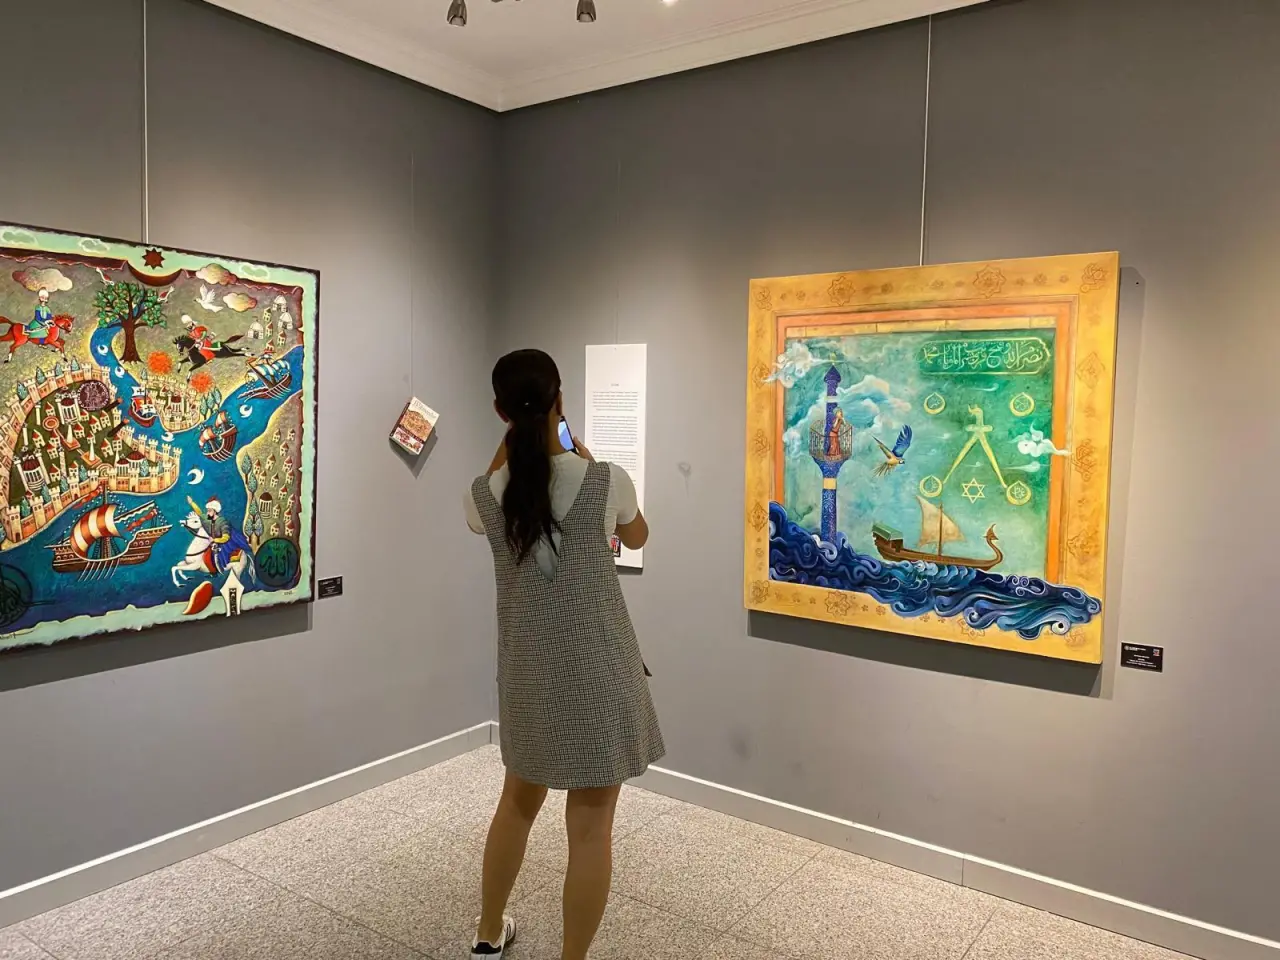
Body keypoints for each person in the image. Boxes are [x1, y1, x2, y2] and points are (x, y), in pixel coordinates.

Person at [464, 349, 663, 960]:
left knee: (516, 805)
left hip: (529, 677)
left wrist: (511, 442)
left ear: (499, 411)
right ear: (560, 402)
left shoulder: (484, 495)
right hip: (600, 674)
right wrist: (587, 458)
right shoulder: (605, 480)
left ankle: (487, 932)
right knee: (592, 830)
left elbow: (491, 490)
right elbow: (637, 535)